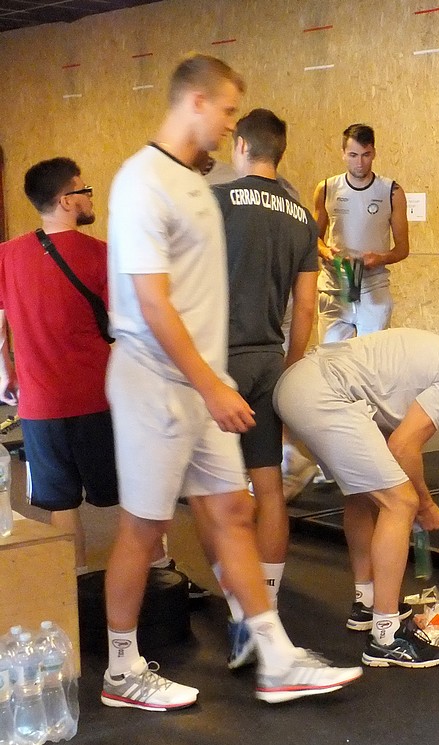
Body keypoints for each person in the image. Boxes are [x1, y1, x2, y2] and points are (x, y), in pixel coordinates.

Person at [101, 54, 360, 711]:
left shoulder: (197, 184)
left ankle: (275, 658)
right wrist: (212, 386)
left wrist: (214, 382)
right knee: (143, 527)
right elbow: (153, 303)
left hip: (203, 381)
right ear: (195, 101)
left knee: (232, 511)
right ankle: (121, 672)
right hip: (155, 381)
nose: (228, 125)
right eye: (224, 110)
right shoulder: (142, 182)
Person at [274, 324, 439, 666]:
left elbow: (390, 440)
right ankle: (386, 636)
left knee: (364, 493)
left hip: (297, 383)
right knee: (401, 502)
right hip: (323, 393)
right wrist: (425, 504)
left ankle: (367, 603)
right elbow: (404, 446)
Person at [209, 108, 320, 669]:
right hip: (268, 361)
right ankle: (267, 608)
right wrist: (289, 368)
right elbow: (307, 307)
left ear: (241, 146)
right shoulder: (303, 216)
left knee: (215, 496)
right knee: (269, 488)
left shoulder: (217, 201)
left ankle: (240, 612)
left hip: (217, 364)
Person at [0, 159, 118, 573]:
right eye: (85, 191)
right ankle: (155, 567)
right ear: (67, 200)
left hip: (39, 407)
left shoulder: (7, 255)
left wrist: (5, 372)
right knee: (126, 495)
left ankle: (75, 582)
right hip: (98, 398)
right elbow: (124, 327)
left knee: (60, 502)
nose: (90, 198)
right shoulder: (101, 254)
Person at [312, 123, 409, 343]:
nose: (359, 162)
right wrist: (326, 252)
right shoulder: (326, 189)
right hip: (335, 286)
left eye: (365, 155)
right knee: (331, 355)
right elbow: (314, 238)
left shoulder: (391, 191)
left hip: (373, 285)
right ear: (343, 153)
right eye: (353, 155)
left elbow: (403, 249)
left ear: (374, 153)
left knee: (372, 355)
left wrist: (380, 258)